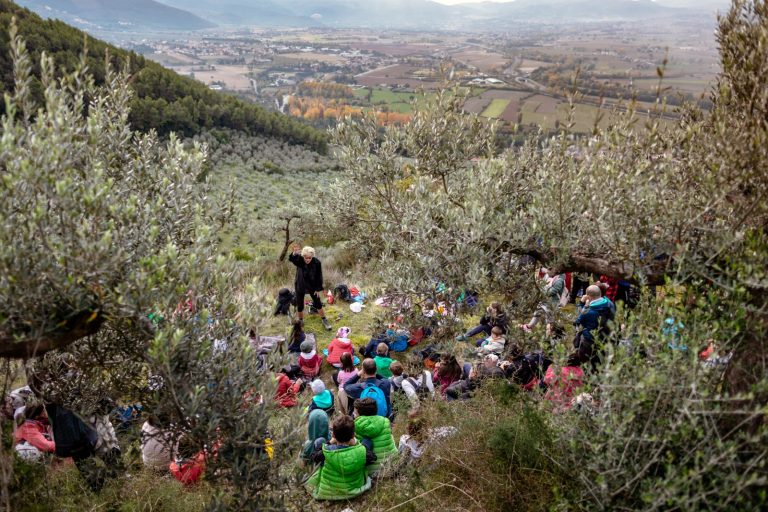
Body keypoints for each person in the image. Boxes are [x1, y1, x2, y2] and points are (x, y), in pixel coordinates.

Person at [305, 415, 374, 500]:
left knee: (319, 441)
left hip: (329, 492)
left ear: (333, 434)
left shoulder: (326, 451)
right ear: (353, 435)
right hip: (355, 488)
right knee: (367, 441)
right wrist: (357, 443)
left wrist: (329, 442)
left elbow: (314, 457)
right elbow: (372, 458)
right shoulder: (361, 451)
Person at [288, 244, 331, 331]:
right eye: (306, 258)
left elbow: (319, 276)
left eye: (309, 258)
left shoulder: (317, 262)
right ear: (303, 256)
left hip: (313, 286)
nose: (307, 259)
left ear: (312, 256)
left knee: (318, 303)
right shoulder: (299, 260)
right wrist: (294, 253)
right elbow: (292, 259)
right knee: (300, 305)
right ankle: (300, 321)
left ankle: (324, 320)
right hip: (300, 285)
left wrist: (318, 289)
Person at [572, 285, 615, 369]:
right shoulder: (609, 303)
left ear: (588, 296)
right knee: (600, 363)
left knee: (587, 364)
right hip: (605, 338)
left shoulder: (589, 312)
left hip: (589, 341)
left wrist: (581, 303)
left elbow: (576, 321)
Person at [353, 398, 398, 476]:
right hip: (391, 467)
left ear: (360, 414)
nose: (354, 414)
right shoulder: (385, 421)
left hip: (370, 473)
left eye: (355, 412)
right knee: (391, 437)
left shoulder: (355, 426)